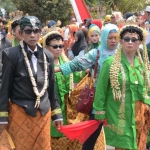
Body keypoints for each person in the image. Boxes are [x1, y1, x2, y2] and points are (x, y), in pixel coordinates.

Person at [0, 16, 63, 150]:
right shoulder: (10, 55)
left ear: (41, 32)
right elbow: (4, 88)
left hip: (44, 114)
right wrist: (3, 117)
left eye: (36, 31)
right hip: (20, 112)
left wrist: (56, 114)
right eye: (28, 31)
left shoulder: (48, 55)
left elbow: (51, 88)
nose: (33, 35)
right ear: (21, 33)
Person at [55, 23, 119, 150]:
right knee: (92, 136)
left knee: (121, 136)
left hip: (118, 99)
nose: (113, 41)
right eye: (110, 38)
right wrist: (55, 69)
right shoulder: (96, 53)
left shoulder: (123, 53)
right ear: (104, 37)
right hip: (99, 99)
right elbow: (76, 64)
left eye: (115, 37)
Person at [93, 25, 150, 150]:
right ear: (121, 41)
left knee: (140, 144)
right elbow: (101, 90)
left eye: (134, 39)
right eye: (126, 39)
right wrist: (99, 112)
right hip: (119, 112)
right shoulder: (110, 63)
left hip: (140, 113)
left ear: (139, 42)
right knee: (124, 145)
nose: (130, 42)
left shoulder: (141, 64)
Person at [43, 31, 86, 149]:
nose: (59, 49)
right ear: (46, 47)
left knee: (68, 136)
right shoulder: (42, 64)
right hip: (51, 106)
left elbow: (77, 74)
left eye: (61, 46)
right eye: (55, 46)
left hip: (67, 107)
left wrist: (88, 71)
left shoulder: (66, 62)